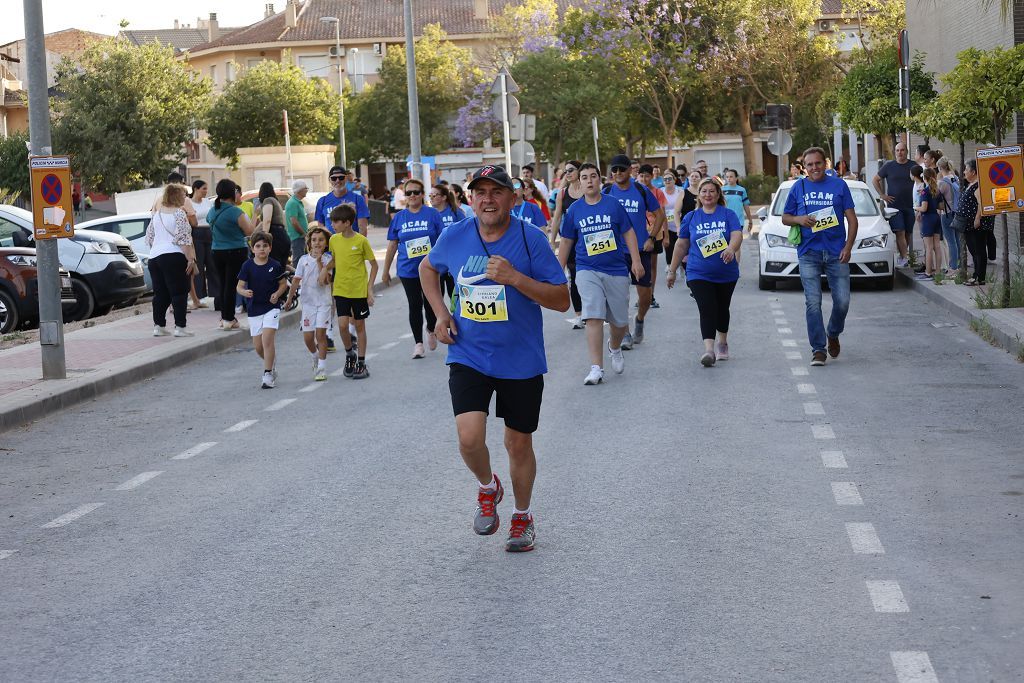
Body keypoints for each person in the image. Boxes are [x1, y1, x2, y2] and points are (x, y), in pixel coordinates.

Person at [418, 164, 569, 553]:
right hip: (469, 352)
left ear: (512, 198)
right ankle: (489, 487)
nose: (488, 199)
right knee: (469, 439)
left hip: (520, 357)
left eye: (496, 191)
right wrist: (440, 313)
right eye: (480, 192)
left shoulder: (531, 239)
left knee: (518, 444)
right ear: (470, 199)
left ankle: (522, 517)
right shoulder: (454, 235)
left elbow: (561, 299)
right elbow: (427, 268)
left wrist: (516, 278)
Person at [557, 163, 644, 384]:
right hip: (587, 269)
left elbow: (628, 232)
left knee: (619, 321)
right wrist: (559, 269)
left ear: (599, 179)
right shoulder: (575, 209)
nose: (589, 180)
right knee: (593, 315)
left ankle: (614, 346)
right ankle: (596, 368)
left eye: (593, 176)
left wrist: (635, 260)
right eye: (584, 177)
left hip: (615, 269)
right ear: (579, 180)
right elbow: (567, 240)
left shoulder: (613, 205)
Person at [781, 147, 858, 367]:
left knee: (842, 301)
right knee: (813, 302)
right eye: (809, 165)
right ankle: (818, 349)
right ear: (804, 167)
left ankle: (832, 332)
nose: (814, 168)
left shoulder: (839, 185)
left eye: (817, 163)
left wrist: (848, 246)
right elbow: (786, 218)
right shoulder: (798, 187)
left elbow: (852, 220)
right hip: (808, 252)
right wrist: (800, 219)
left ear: (825, 163)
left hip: (836, 252)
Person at [667, 178, 742, 366]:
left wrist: (731, 249)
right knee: (707, 307)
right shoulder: (691, 217)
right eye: (704, 191)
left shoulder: (728, 214)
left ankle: (722, 342)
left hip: (726, 272)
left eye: (711, 191)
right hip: (698, 272)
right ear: (698, 195)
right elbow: (682, 244)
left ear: (718, 194)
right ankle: (709, 350)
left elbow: (737, 234)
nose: (708, 195)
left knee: (722, 308)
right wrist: (672, 270)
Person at [604, 153, 665, 347]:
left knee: (645, 296)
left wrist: (652, 238)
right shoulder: (606, 192)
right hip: (616, 252)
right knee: (620, 295)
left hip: (640, 249)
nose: (618, 172)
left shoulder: (640, 190)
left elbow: (659, 215)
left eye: (622, 169)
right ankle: (626, 333)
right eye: (615, 169)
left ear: (630, 170)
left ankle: (639, 319)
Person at [383, 179, 445, 358]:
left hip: (431, 269)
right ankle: (418, 343)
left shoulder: (432, 214)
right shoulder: (400, 218)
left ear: (422, 194)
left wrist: (445, 263)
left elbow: (443, 240)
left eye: (415, 192)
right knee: (414, 304)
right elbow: (392, 245)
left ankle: (431, 329)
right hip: (407, 269)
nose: (412, 196)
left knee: (431, 303)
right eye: (408, 193)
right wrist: (386, 270)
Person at [320, 205, 378, 379]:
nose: (332, 225)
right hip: (340, 288)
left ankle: (361, 361)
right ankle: (349, 354)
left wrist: (369, 289)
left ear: (347, 223)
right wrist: (325, 269)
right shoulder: (334, 240)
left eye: (336, 222)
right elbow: (335, 260)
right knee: (343, 325)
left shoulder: (361, 241)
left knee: (359, 326)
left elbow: (374, 265)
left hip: (359, 290)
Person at [236, 231, 289, 388]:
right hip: (254, 310)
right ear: (252, 249)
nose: (261, 249)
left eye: (265, 246)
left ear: (270, 248)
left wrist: (277, 294)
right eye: (258, 246)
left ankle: (267, 375)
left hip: (271, 308)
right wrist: (244, 292)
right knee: (258, 346)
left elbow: (283, 284)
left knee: (267, 340)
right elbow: (239, 286)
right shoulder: (247, 266)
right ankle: (271, 363)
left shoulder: (275, 265)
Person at [146, 183, 197, 338]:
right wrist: (190, 260)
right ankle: (180, 327)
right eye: (183, 194)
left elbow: (149, 237)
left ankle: (159, 326)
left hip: (154, 257)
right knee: (179, 292)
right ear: (176, 195)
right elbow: (184, 239)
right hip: (173, 256)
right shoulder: (179, 214)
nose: (186, 197)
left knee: (160, 293)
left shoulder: (157, 214)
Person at [285, 226, 333, 381]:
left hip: (324, 303)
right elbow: (296, 280)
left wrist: (320, 262)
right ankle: (315, 356)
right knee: (307, 337)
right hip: (308, 304)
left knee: (320, 334)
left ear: (326, 243)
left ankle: (322, 368)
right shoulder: (303, 260)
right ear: (309, 243)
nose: (317, 243)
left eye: (320, 240)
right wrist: (289, 298)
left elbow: (324, 281)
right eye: (314, 240)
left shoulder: (328, 261)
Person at [207, 179, 254, 331]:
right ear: (231, 193)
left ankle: (224, 317)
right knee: (231, 286)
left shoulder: (212, 210)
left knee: (223, 284)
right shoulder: (236, 212)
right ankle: (229, 318)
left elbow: (209, 222)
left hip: (216, 251)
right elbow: (249, 231)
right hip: (235, 251)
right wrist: (256, 215)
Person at [550, 160, 585, 328]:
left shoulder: (588, 189)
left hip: (589, 240)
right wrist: (552, 240)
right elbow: (557, 218)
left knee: (592, 274)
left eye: (571, 170)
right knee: (574, 276)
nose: (568, 173)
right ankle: (579, 314)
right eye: (566, 171)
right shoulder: (562, 193)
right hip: (570, 240)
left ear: (579, 171)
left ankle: (596, 309)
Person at [873, 141, 915, 267]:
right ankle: (904, 257)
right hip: (894, 206)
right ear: (894, 152)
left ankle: (903, 255)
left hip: (910, 205)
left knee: (907, 232)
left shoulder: (913, 166)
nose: (900, 152)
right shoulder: (889, 166)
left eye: (902, 150)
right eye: (897, 150)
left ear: (906, 152)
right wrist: (882, 195)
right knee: (899, 231)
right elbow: (875, 180)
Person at [958, 160, 995, 286]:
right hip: (969, 224)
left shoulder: (978, 186)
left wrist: (977, 218)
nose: (964, 172)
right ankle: (977, 276)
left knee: (978, 250)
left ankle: (979, 277)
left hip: (977, 225)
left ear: (973, 172)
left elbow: (981, 203)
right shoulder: (971, 183)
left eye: (966, 170)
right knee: (974, 251)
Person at [636, 164, 667, 305]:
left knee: (652, 265)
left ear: (652, 177)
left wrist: (666, 235)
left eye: (647, 176)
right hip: (637, 234)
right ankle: (642, 296)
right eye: (641, 176)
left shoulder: (657, 192)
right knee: (639, 264)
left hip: (655, 233)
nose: (644, 179)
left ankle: (651, 295)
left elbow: (663, 215)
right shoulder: (634, 191)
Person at [315, 166, 370, 233]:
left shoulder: (358, 199)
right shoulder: (322, 201)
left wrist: (360, 243)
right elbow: (321, 227)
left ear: (346, 178)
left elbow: (362, 227)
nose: (337, 181)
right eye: (334, 178)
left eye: (341, 178)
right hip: (331, 242)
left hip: (351, 242)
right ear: (329, 180)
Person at [188, 180, 215, 310]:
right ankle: (199, 296)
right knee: (199, 265)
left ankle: (215, 293)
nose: (205, 191)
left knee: (212, 263)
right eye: (203, 189)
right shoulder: (189, 203)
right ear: (196, 189)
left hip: (209, 232)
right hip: (197, 233)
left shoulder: (207, 202)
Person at [915, 167, 944, 279]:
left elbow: (924, 208)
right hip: (936, 217)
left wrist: (916, 207)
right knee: (937, 246)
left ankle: (928, 272)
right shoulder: (937, 191)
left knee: (928, 247)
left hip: (927, 219)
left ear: (924, 178)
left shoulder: (924, 191)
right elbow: (941, 206)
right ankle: (937, 271)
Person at [253, 183, 290, 268]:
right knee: (280, 270)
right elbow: (263, 222)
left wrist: (264, 237)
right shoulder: (276, 202)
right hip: (283, 236)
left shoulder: (268, 200)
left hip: (275, 237)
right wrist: (253, 234)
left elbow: (267, 220)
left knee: (272, 269)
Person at [937, 157, 962, 274]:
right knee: (957, 240)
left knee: (951, 241)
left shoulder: (942, 183)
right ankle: (960, 264)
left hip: (946, 213)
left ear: (940, 168)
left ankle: (953, 267)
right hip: (957, 212)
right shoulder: (956, 179)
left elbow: (935, 197)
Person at [661, 169, 683, 277]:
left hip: (679, 223)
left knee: (680, 245)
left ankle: (682, 265)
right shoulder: (660, 192)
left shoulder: (681, 191)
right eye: (665, 179)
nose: (667, 181)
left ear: (674, 180)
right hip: (666, 224)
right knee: (668, 245)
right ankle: (670, 264)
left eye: (670, 178)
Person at [285, 179, 311, 267]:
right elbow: (294, 222)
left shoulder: (296, 202)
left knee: (301, 258)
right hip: (297, 237)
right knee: (298, 260)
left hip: (299, 236)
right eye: (305, 188)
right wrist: (303, 233)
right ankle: (297, 278)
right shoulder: (293, 203)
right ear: (300, 190)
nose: (307, 189)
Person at [722, 169, 753, 236]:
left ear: (736, 178)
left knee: (736, 243)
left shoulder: (742, 190)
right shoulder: (722, 190)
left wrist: (750, 220)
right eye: (727, 177)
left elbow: (746, 206)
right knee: (726, 244)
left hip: (738, 221)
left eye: (731, 176)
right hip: (724, 221)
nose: (729, 179)